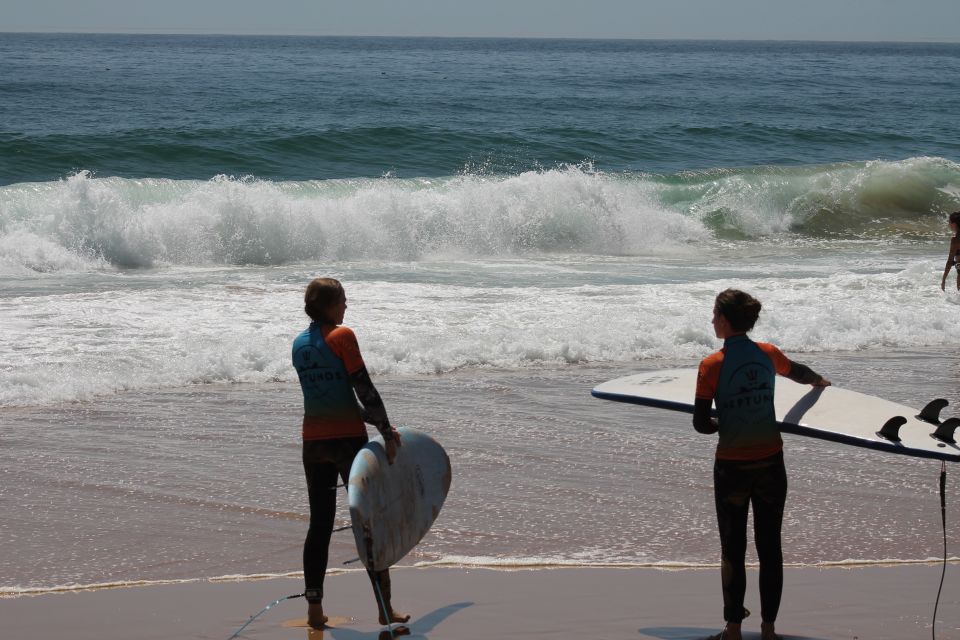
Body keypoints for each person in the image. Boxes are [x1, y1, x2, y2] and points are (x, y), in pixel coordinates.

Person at [693, 289, 830, 640]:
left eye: (713, 315)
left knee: (733, 549)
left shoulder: (711, 365)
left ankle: (734, 629)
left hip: (732, 468)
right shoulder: (768, 354)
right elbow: (798, 372)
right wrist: (819, 381)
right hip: (771, 463)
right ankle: (769, 630)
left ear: (724, 321)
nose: (711, 321)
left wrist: (724, 422)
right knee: (770, 547)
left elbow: (700, 423)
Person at [292, 277, 409, 630]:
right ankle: (385, 609)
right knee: (369, 523)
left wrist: (376, 424)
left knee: (320, 525)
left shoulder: (299, 344)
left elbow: (333, 397)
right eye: (343, 300)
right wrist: (386, 431)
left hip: (313, 444)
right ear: (329, 305)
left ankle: (314, 609)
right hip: (347, 443)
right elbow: (364, 389)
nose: (347, 306)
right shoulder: (343, 337)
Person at [940, 211, 960, 292]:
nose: (948, 224)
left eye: (949, 222)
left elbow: (949, 261)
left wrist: (944, 279)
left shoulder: (955, 240)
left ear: (954, 224)